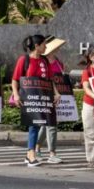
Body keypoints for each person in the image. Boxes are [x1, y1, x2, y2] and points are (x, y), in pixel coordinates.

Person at [11, 34, 59, 167]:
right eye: (44, 44)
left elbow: (50, 80)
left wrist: (56, 93)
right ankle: (31, 154)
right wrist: (16, 95)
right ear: (37, 46)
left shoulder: (45, 61)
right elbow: (15, 79)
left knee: (39, 125)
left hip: (44, 98)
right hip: (30, 98)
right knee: (34, 125)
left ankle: (29, 154)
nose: (46, 47)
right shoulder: (24, 60)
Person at [37, 37, 67, 163]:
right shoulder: (42, 62)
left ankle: (37, 147)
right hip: (45, 94)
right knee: (50, 124)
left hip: (56, 95)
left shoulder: (58, 62)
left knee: (47, 124)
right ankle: (51, 153)